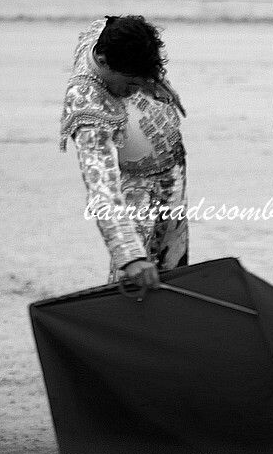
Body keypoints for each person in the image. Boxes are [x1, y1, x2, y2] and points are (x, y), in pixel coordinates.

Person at [59, 15, 188, 290]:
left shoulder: (106, 35)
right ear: (102, 61)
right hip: (137, 188)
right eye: (130, 85)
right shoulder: (87, 105)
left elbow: (110, 25)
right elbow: (102, 187)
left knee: (174, 269)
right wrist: (129, 256)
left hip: (173, 169)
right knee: (135, 281)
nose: (136, 91)